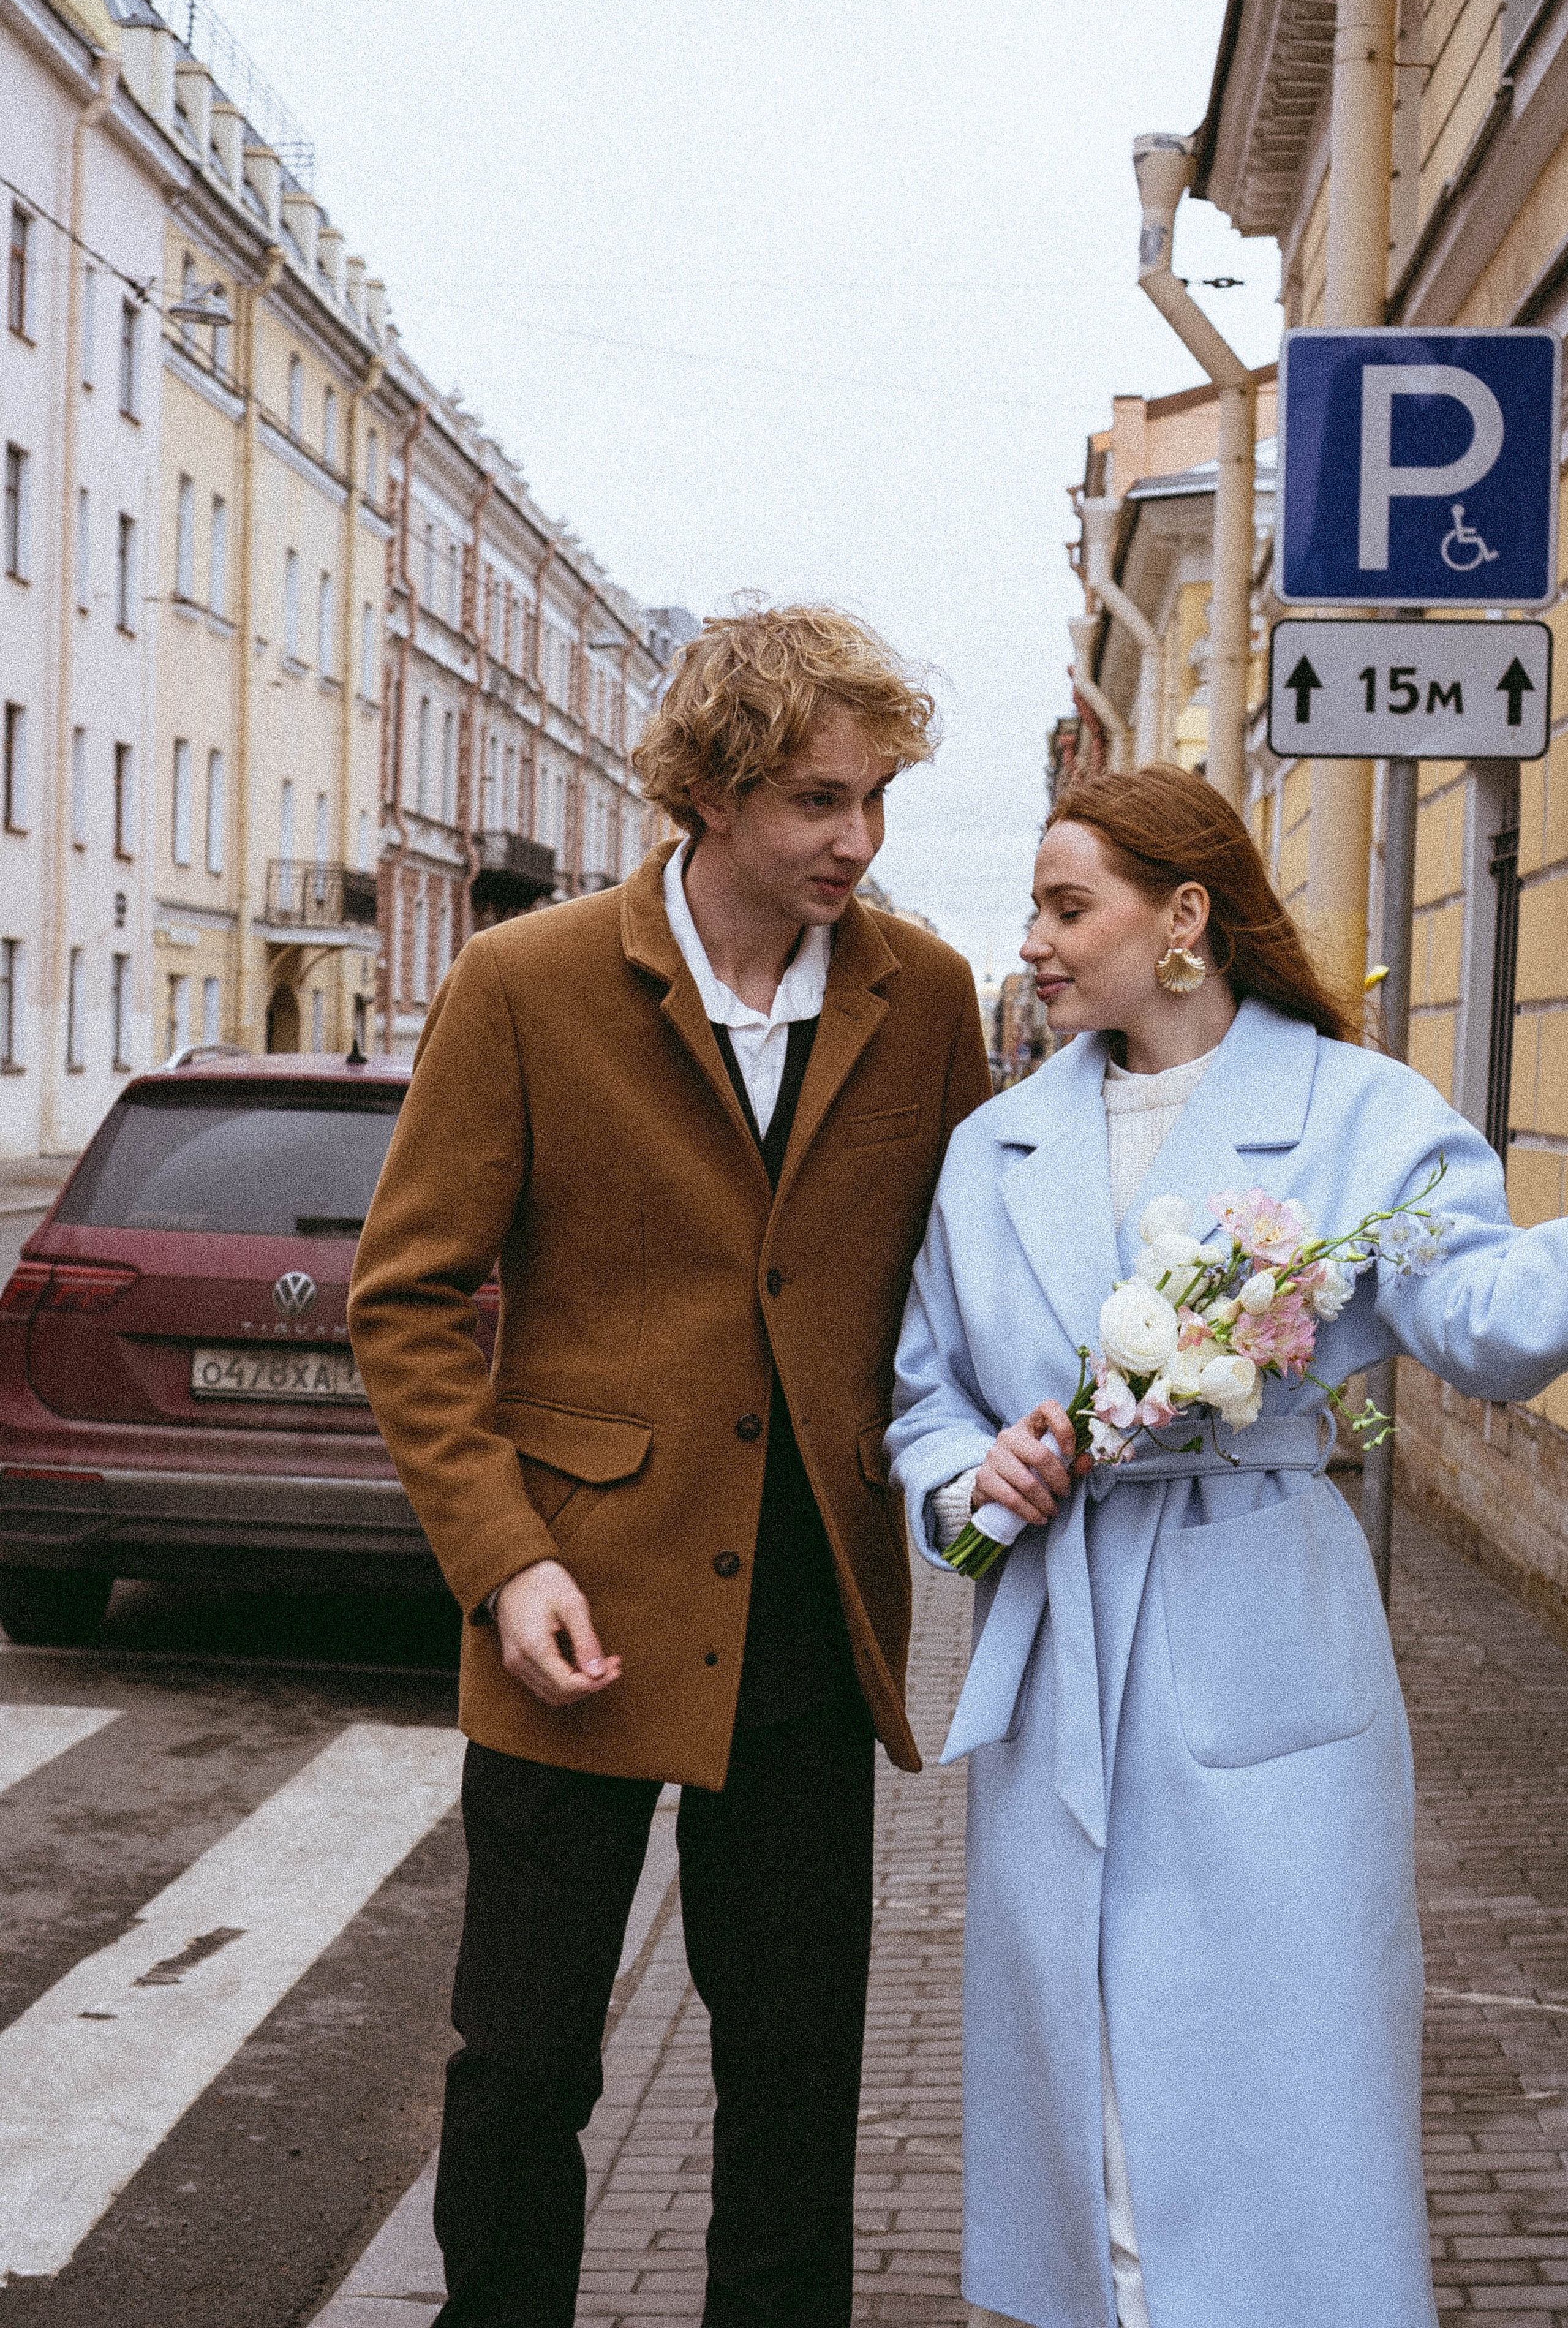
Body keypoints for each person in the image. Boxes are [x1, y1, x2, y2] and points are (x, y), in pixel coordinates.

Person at [349, 602, 992, 2328]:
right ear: (708, 794)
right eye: (814, 801)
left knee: (795, 2082)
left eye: (874, 801)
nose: (854, 839)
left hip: (805, 1616)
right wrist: (503, 1558)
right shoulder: (529, 983)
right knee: (525, 2063)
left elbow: (966, 1279)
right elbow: (405, 1301)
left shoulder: (923, 996)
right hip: (579, 1606)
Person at [885, 762, 1568, 2328]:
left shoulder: (1347, 1109)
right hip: (1064, 1659)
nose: (1035, 946)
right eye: (1033, 912)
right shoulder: (995, 1150)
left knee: (1276, 2101)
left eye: (1069, 909)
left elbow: (1478, 1314)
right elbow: (921, 1396)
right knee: (1098, 2107)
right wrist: (976, 1478)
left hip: (1259, 1640)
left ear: (1182, 919)